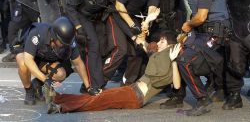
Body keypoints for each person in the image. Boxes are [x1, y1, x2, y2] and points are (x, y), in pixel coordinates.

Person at [161, 0, 230, 116]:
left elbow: (200, 17)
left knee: (185, 59)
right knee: (180, 51)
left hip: (215, 34)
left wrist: (187, 25)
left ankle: (202, 99)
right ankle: (180, 95)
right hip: (204, 33)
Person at [46, 31, 181, 114]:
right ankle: (58, 98)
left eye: (162, 41)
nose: (158, 42)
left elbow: (176, 85)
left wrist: (174, 61)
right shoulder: (159, 55)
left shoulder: (169, 60)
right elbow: (142, 42)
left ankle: (62, 108)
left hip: (136, 97)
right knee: (97, 96)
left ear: (169, 45)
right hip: (131, 90)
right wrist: (146, 24)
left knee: (99, 100)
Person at [15, 17, 91, 105]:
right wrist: (45, 79)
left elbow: (78, 64)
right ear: (54, 38)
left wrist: (88, 87)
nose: (64, 45)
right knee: (23, 64)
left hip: (43, 58)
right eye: (62, 42)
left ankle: (37, 84)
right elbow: (28, 60)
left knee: (61, 74)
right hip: (27, 53)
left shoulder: (69, 41)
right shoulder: (38, 33)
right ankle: (29, 90)